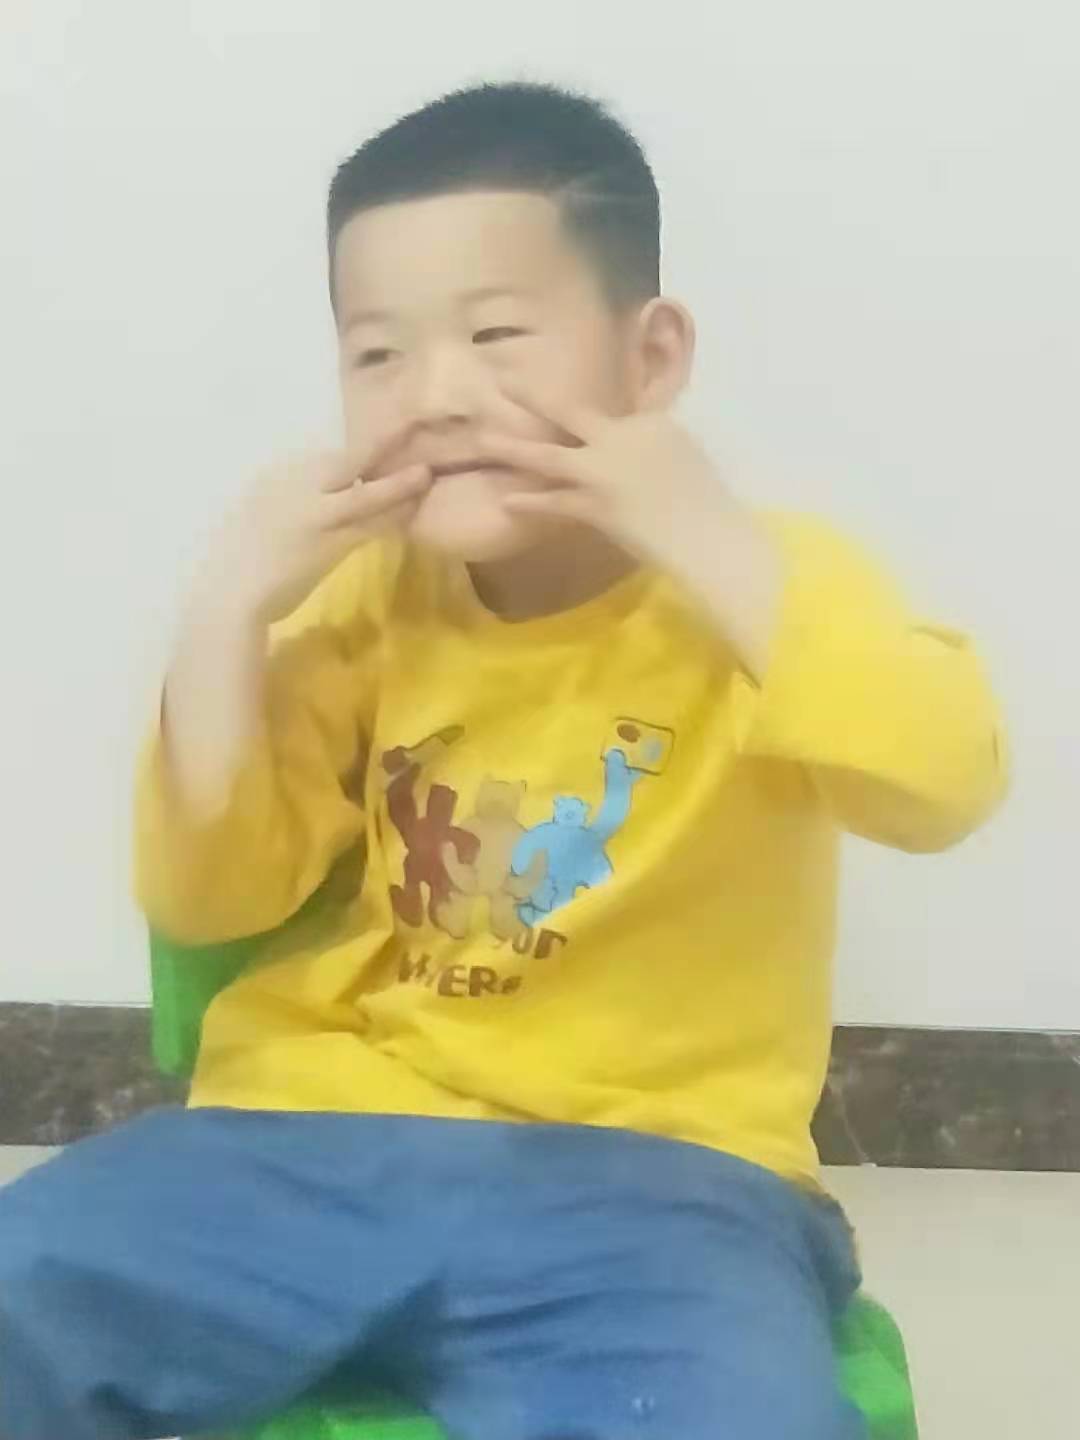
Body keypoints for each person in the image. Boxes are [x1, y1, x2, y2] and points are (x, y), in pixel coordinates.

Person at [0, 82, 1007, 1440]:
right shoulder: (361, 601)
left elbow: (942, 782)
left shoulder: (766, 585)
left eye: (495, 336)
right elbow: (212, 897)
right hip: (300, 1148)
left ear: (649, 357)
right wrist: (226, 610)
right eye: (377, 355)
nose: (437, 397)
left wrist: (704, 532)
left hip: (658, 1189)